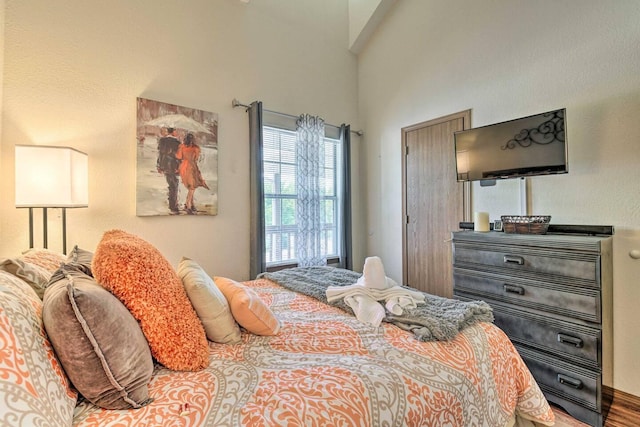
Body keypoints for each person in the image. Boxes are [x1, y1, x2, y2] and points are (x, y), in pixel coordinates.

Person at [176, 133, 209, 214]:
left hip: (183, 167)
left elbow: (179, 157)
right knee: (192, 187)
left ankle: (191, 204)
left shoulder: (181, 146)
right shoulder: (196, 148)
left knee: (191, 186)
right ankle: (188, 205)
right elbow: (196, 158)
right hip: (192, 166)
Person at [156, 127, 181, 214]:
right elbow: (178, 156)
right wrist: (179, 167)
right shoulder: (177, 142)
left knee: (171, 183)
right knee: (174, 184)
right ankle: (173, 206)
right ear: (173, 132)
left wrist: (159, 165)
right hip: (174, 166)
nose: (176, 132)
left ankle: (172, 203)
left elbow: (160, 153)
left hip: (165, 165)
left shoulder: (162, 140)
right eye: (176, 131)